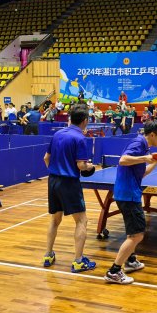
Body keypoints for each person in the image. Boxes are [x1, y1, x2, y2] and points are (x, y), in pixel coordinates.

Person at [104, 121, 157, 284]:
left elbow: (142, 173)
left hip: (128, 193)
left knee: (133, 232)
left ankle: (131, 260)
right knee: (137, 234)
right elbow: (123, 160)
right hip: (128, 195)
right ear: (152, 134)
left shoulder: (144, 147)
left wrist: (155, 161)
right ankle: (114, 271)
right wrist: (145, 158)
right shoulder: (138, 143)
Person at [43, 104, 97, 273]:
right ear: (85, 120)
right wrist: (90, 166)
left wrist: (56, 171)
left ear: (70, 119)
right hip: (69, 183)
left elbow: (46, 158)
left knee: (55, 220)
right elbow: (81, 165)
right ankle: (78, 261)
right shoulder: (80, 138)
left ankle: (48, 255)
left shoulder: (57, 134)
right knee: (82, 221)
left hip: (53, 181)